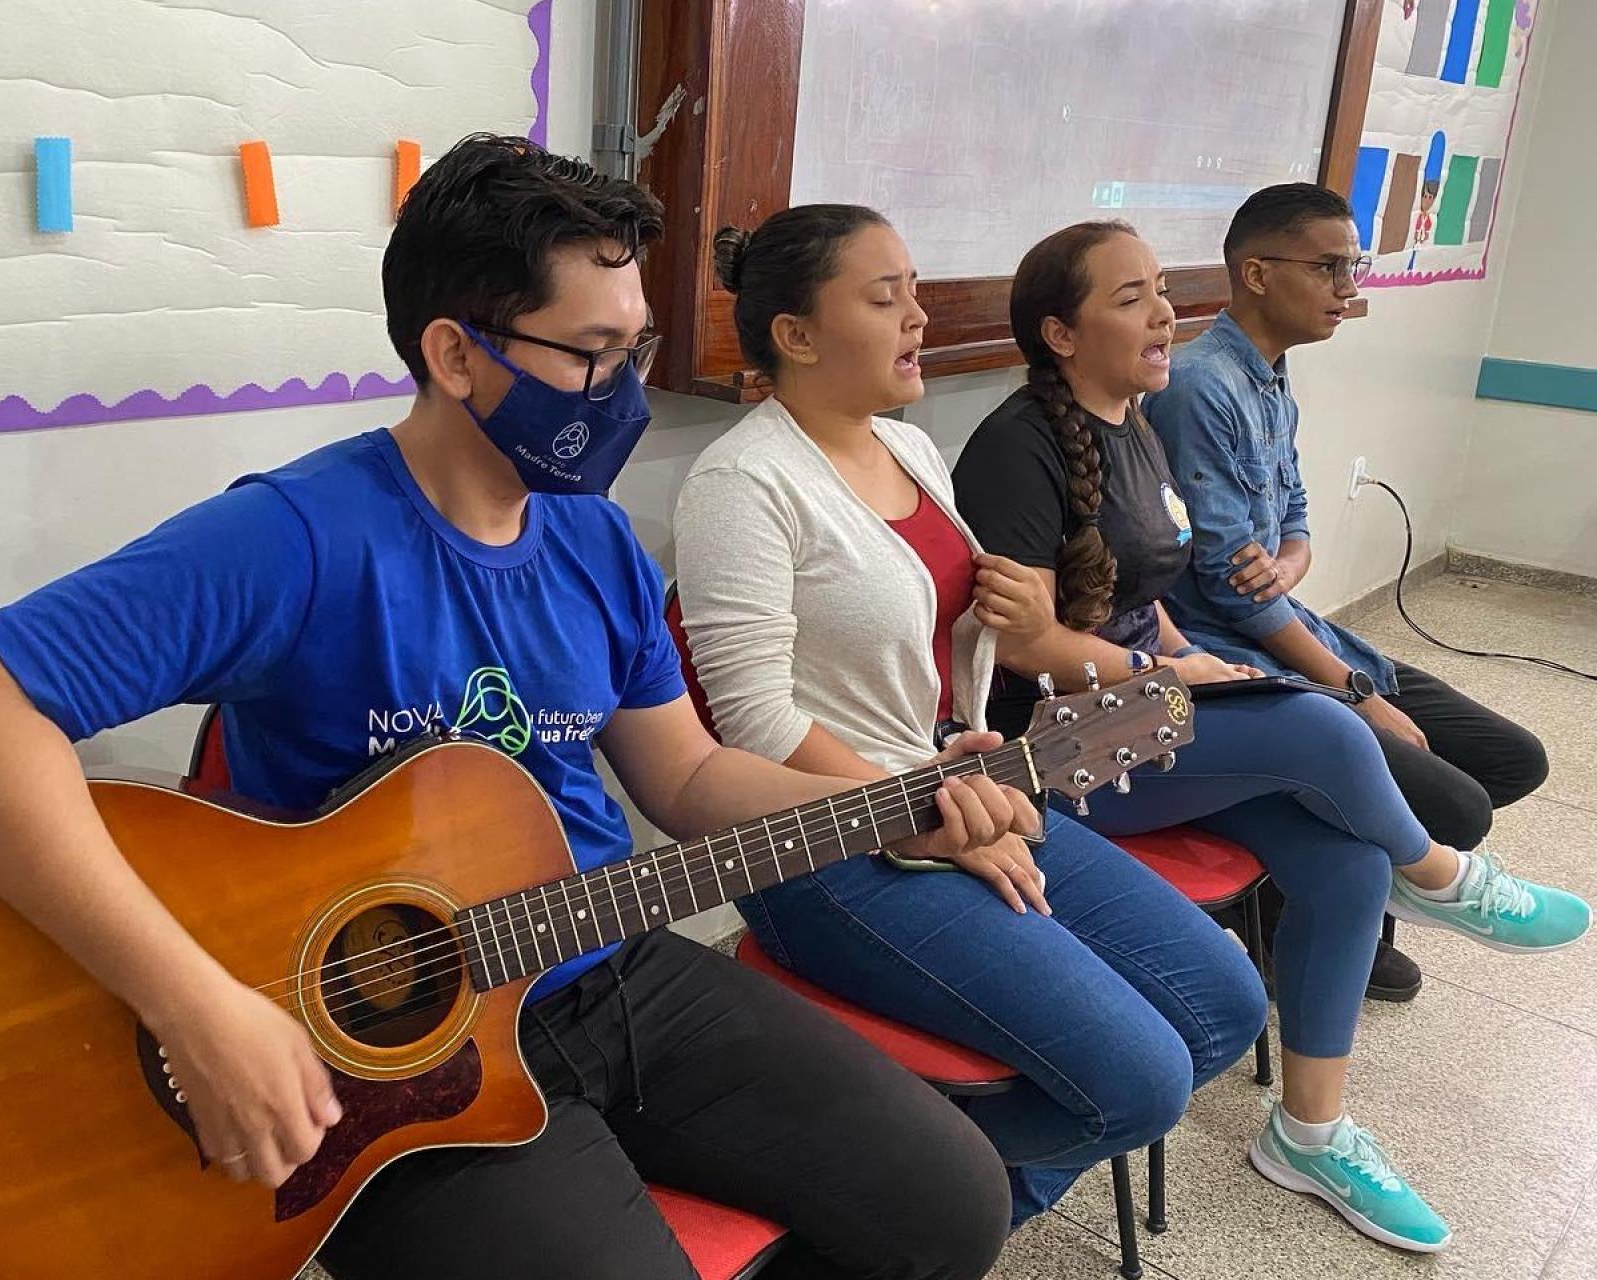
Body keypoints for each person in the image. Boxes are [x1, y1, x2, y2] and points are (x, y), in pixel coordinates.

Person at [0, 136, 1019, 1280]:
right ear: (456, 355)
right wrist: (194, 1005)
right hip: (373, 1046)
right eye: (590, 352)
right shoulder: (298, 535)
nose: (622, 388)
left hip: (599, 963)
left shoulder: (596, 537)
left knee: (951, 1203)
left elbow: (685, 779)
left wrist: (887, 803)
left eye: (636, 348)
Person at [950, 217, 1588, 1254]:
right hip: (1054, 749)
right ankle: (1440, 878)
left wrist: (1177, 656)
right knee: (1325, 728)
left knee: (1338, 860)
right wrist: (1165, 672)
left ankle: (1311, 1131)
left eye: (1162, 288)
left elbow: (1139, 596)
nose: (1165, 312)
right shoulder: (1014, 450)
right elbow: (1024, 654)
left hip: (1140, 704)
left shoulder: (1136, 420)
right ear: (1061, 334)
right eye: (1131, 297)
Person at [671, 203, 1269, 1229]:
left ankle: (942, 1208)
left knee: (1222, 1003)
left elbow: (925, 664)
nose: (917, 316)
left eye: (913, 288)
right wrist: (925, 802)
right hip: (817, 840)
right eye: (883, 295)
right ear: (797, 334)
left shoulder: (909, 448)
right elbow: (756, 719)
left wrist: (962, 739)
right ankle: (898, 1208)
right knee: (1143, 1081)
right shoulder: (741, 481)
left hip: (954, 794)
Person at [1142, 182, 1552, 1004]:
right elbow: (1229, 587)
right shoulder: (1199, 385)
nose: (1348, 288)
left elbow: (1292, 522)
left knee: (1513, 758)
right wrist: (1356, 693)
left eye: (1352, 266)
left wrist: (1290, 566)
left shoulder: (1267, 375)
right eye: (1329, 267)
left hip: (1290, 625)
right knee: (1457, 808)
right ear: (1256, 273)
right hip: (1237, 652)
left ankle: (1337, 893)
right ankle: (1326, 906)